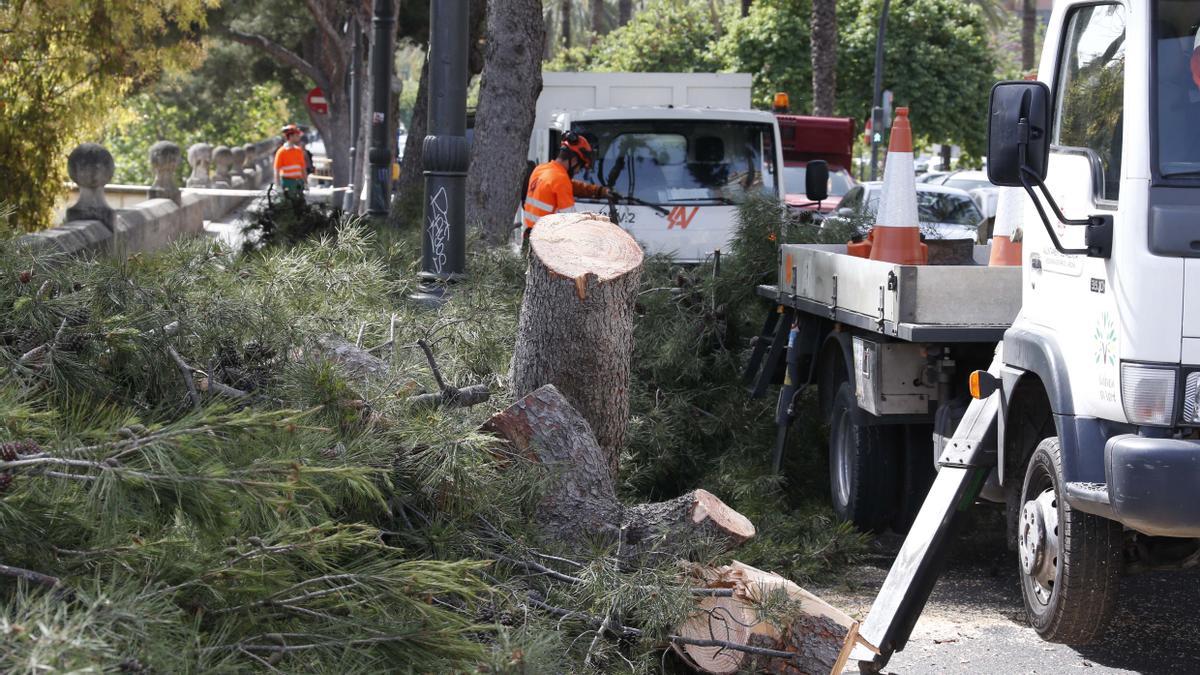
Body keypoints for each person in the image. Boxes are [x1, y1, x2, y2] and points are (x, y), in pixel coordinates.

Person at [521, 132, 610, 243]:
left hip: (528, 237)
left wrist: (598, 191)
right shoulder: (561, 180)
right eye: (580, 167)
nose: (578, 172)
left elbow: (569, 185)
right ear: (573, 161)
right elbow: (571, 222)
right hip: (543, 244)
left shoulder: (541, 169)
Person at [274, 124, 307, 197]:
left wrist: (306, 183)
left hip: (299, 182)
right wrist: (278, 186)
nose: (299, 137)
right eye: (296, 135)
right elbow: (276, 170)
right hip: (287, 183)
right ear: (291, 136)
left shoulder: (298, 150)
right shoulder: (281, 152)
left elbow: (303, 168)